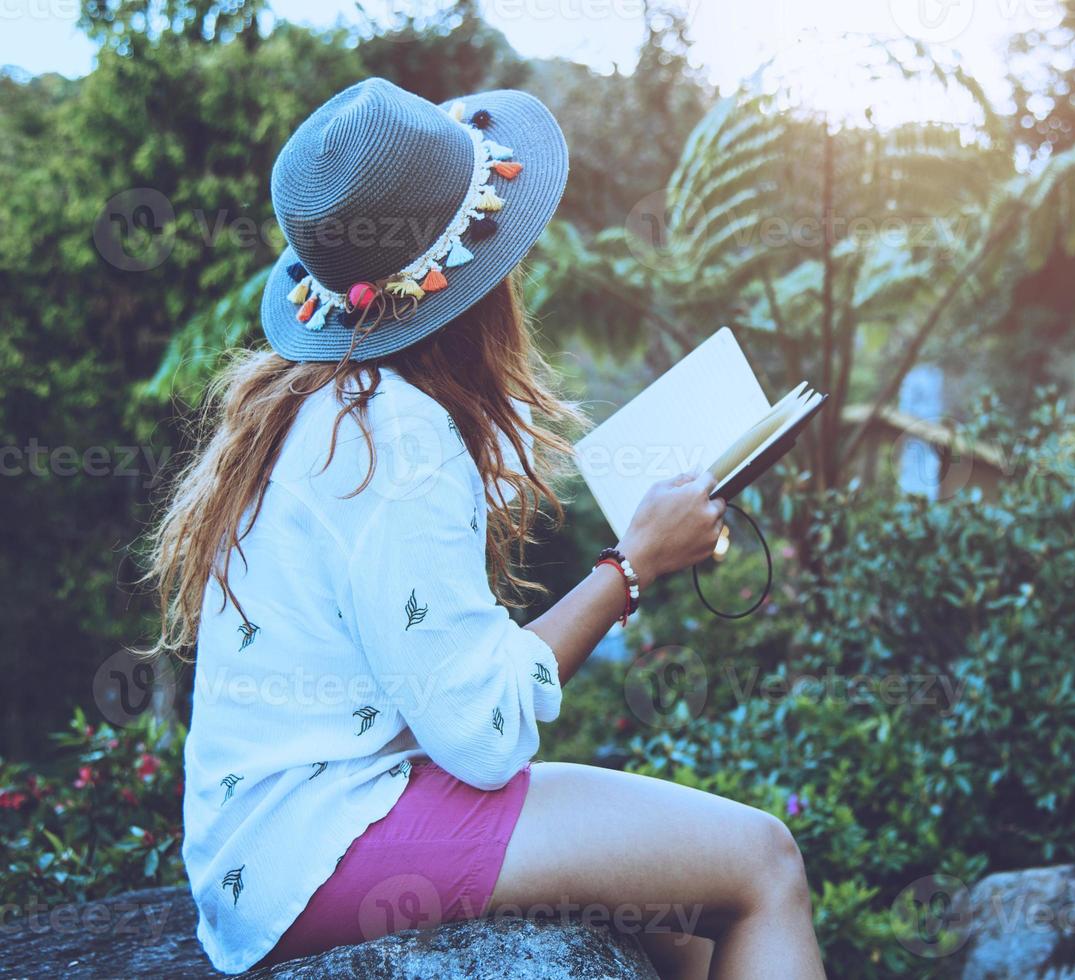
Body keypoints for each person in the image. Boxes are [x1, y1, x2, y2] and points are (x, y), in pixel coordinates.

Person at [141, 78, 825, 979]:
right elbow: (486, 736)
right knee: (764, 859)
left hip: (266, 845)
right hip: (323, 842)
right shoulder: (397, 433)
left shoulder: (322, 401)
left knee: (684, 924)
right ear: (475, 281)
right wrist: (632, 567)